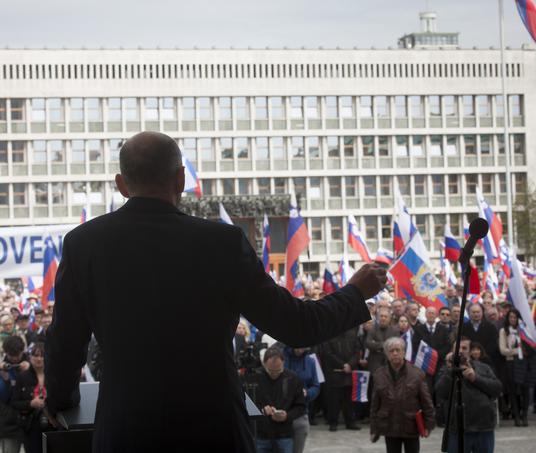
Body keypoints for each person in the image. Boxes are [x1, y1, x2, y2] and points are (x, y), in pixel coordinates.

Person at [44, 131, 387, 452]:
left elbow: (64, 343)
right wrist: (355, 293)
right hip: (214, 429)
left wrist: (60, 401)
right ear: (180, 178)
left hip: (126, 430)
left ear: (121, 184)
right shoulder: (221, 243)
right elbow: (295, 325)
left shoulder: (83, 244)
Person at [435, 336, 502, 453]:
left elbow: (497, 389)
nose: (460, 351)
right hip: (457, 428)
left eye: (464, 348)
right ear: (452, 351)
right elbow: (440, 392)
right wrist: (450, 372)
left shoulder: (483, 367)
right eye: (457, 348)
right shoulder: (446, 370)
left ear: (470, 351)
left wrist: (475, 378)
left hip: (483, 427)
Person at [370, 337, 435, 453]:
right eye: (391, 351)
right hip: (389, 426)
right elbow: (375, 404)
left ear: (404, 352)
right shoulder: (378, 375)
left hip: (411, 425)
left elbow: (427, 402)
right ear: (387, 354)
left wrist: (428, 425)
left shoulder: (416, 374)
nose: (395, 353)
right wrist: (374, 429)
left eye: (398, 350)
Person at [250, 347, 305, 453]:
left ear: (283, 363)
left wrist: (287, 416)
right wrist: (262, 411)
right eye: (270, 371)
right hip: (261, 435)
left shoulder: (292, 378)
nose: (274, 374)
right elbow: (246, 405)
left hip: (284, 434)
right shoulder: (255, 378)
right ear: (264, 363)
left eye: (278, 371)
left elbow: (300, 406)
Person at [498, 308, 536, 426]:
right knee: (513, 391)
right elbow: (503, 350)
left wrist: (523, 351)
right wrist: (518, 350)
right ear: (508, 318)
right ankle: (516, 416)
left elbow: (530, 346)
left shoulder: (524, 330)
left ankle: (524, 415)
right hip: (510, 363)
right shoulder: (504, 331)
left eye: (515, 317)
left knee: (525, 389)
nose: (513, 319)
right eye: (511, 317)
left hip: (524, 363)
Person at [320, 327, 362, 431]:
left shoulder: (353, 334)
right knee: (334, 400)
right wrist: (343, 365)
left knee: (349, 400)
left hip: (349, 372)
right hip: (335, 372)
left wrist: (350, 365)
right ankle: (333, 422)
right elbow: (328, 353)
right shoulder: (329, 334)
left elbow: (357, 352)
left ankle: (350, 422)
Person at [0, 335, 30, 453]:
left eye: (17, 355)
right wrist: (5, 380)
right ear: (6, 353)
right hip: (9, 420)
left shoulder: (33, 363)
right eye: (11, 356)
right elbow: (1, 398)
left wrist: (30, 372)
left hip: (31, 419)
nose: (14, 359)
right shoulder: (1, 369)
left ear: (22, 351)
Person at [11, 342, 47, 453]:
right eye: (36, 355)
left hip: (52, 425)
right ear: (30, 357)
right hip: (30, 426)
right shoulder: (22, 377)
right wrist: (31, 403)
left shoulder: (53, 375)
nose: (39, 359)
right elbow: (14, 402)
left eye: (42, 356)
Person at [282, 346, 320, 453]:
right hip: (283, 410)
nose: (299, 350)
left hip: (302, 412)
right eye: (297, 347)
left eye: (302, 347)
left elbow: (316, 386)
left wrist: (307, 393)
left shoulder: (311, 361)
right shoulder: (282, 358)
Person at [462, 304, 499, 368]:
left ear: (482, 312)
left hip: (487, 359)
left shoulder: (490, 326)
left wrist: (482, 354)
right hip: (468, 360)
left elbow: (494, 342)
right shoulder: (463, 327)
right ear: (468, 313)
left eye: (478, 312)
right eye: (473, 312)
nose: (476, 314)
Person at [366, 308, 399, 373]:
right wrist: (386, 344)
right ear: (378, 318)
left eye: (385, 316)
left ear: (389, 319)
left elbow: (396, 346)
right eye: (381, 316)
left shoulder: (395, 331)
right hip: (374, 363)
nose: (383, 318)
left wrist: (376, 344)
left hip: (390, 362)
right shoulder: (372, 329)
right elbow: (368, 343)